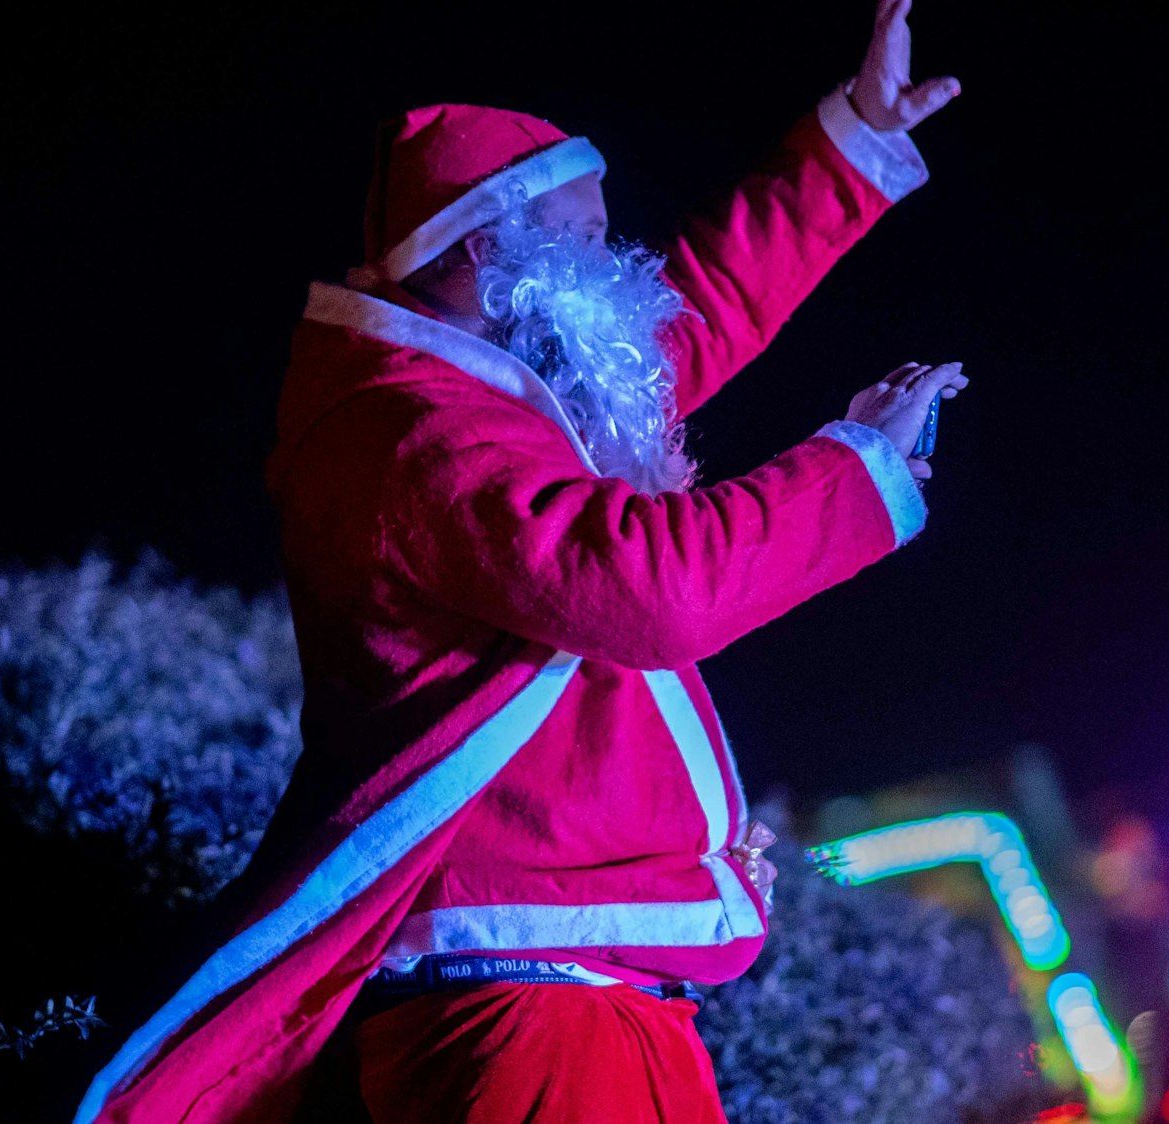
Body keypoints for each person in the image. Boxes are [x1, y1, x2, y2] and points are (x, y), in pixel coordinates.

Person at [73, 2, 964, 1121]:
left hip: (579, 1003)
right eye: (587, 243)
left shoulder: (493, 392)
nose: (617, 268)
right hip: (528, 1021)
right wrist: (854, 467)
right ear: (496, 257)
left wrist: (848, 150)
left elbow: (699, 311)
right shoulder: (408, 430)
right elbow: (648, 588)